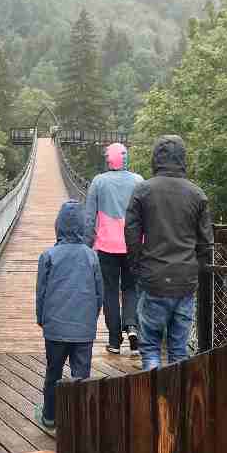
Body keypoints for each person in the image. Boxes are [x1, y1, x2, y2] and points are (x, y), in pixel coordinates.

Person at [125, 136, 214, 370]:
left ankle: (154, 400)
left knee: (151, 346)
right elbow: (206, 243)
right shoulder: (197, 195)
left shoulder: (143, 191)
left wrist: (138, 267)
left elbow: (132, 235)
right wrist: (195, 269)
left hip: (153, 277)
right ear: (182, 159)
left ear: (156, 158)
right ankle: (177, 402)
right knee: (178, 349)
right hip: (185, 281)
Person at [34, 200, 104, 430]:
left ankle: (50, 416)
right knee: (81, 376)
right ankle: (79, 421)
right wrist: (91, 319)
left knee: (53, 371)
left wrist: (42, 319)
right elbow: (99, 293)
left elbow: (41, 293)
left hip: (55, 327)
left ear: (58, 226)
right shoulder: (91, 256)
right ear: (83, 226)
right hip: (83, 328)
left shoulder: (48, 256)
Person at [83, 142, 144, 355]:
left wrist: (87, 245)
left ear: (108, 159)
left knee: (109, 290)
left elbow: (90, 217)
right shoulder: (139, 181)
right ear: (126, 158)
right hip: (133, 245)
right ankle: (133, 327)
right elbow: (145, 215)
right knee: (131, 288)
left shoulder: (99, 182)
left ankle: (114, 340)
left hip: (106, 247)